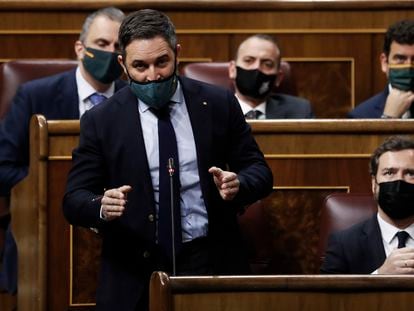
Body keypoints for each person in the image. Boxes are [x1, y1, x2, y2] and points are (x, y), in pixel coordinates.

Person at [63, 9, 273, 311]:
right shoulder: (102, 120)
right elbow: (73, 199)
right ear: (123, 65)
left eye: (161, 62)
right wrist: (101, 206)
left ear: (177, 53)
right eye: (140, 66)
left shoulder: (216, 103)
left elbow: (260, 171)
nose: (153, 75)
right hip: (134, 272)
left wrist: (239, 183)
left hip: (211, 261)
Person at [0, 7, 126, 294]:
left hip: (116, 235)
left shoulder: (133, 100)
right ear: (80, 48)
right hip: (42, 229)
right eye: (102, 44)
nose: (110, 53)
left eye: (118, 47)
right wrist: (50, 187)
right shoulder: (35, 95)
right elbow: (3, 167)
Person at [321, 135, 414, 274]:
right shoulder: (344, 244)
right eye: (389, 172)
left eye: (410, 173)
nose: (399, 181)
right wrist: (379, 276)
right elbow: (327, 296)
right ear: (373, 184)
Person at [228, 34, 314, 119]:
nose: (256, 67)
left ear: (278, 78)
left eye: (267, 64)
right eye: (248, 60)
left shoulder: (300, 110)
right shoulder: (215, 109)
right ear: (232, 70)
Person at [348, 20, 414, 118]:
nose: (409, 66)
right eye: (400, 58)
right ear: (384, 63)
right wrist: (388, 118)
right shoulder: (360, 116)